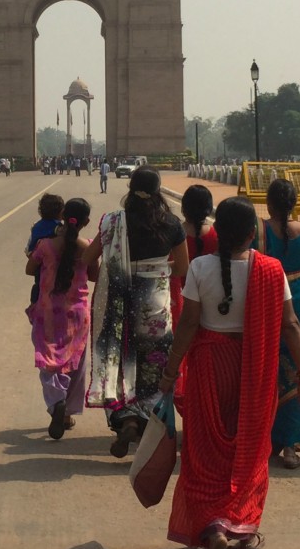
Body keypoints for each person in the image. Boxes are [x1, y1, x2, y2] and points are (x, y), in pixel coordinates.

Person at [161, 196, 300, 549]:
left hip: (209, 367)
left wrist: (170, 373)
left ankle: (213, 526)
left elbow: (187, 325)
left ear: (217, 233)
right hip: (254, 369)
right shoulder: (271, 269)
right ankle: (242, 526)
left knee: (205, 451)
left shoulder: (199, 267)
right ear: (251, 233)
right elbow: (291, 325)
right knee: (249, 448)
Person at [82, 165, 189, 457]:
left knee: (120, 360)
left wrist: (108, 271)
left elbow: (87, 259)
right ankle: (147, 424)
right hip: (155, 308)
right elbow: (182, 268)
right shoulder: (172, 223)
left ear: (131, 189)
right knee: (154, 365)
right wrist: (158, 267)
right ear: (158, 191)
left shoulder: (113, 222)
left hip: (119, 305)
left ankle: (126, 418)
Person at [256, 178, 300, 469]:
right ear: (294, 204)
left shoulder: (259, 231)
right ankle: (293, 446)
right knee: (298, 371)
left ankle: (268, 441)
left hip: (268, 306)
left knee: (267, 373)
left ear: (268, 204)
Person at [25, 198, 96, 440]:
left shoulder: (45, 245)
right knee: (75, 362)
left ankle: (57, 402)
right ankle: (65, 414)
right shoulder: (87, 246)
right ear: (86, 221)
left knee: (48, 359)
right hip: (78, 313)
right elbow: (95, 274)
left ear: (63, 215)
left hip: (47, 311)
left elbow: (29, 269)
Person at [168, 184, 218, 413]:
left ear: (184, 208)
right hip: (212, 304)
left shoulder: (174, 233)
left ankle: (184, 404)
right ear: (208, 208)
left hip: (180, 302)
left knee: (182, 354)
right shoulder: (218, 235)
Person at [25, 193, 64, 306]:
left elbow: (28, 251)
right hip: (56, 273)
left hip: (39, 269)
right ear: (61, 212)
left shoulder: (36, 226)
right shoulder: (59, 228)